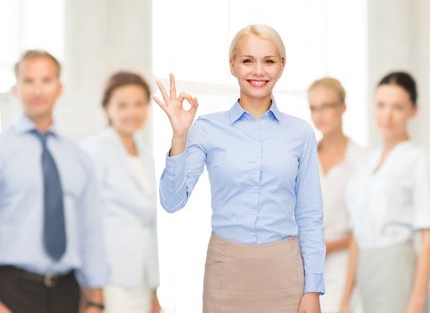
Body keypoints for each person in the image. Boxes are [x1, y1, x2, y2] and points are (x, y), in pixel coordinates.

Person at [153, 24, 325, 313]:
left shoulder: (301, 133)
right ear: (232, 65)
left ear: (281, 66)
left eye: (268, 61)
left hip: (285, 272)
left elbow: (310, 215)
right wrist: (179, 136)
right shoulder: (206, 129)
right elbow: (172, 201)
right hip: (227, 270)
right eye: (247, 61)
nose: (258, 71)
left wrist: (313, 289)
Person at [0, 50, 107, 313]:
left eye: (46, 80)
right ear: (15, 88)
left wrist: (96, 300)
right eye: (29, 81)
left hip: (67, 293)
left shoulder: (78, 157)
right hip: (11, 292)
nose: (38, 90)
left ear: (59, 88)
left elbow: (90, 231)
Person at [341, 72, 430, 313]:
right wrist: (346, 296)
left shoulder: (419, 160)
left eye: (397, 107)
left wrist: (417, 302)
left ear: (414, 110)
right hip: (366, 269)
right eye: (381, 105)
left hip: (398, 266)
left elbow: (428, 234)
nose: (387, 115)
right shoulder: (366, 162)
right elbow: (357, 234)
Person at [82, 72, 161, 313]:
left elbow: (149, 225)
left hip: (141, 278)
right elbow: (86, 222)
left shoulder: (146, 155)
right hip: (110, 278)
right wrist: (93, 292)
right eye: (122, 105)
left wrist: (154, 289)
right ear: (107, 108)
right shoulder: (95, 150)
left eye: (139, 104)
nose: (132, 112)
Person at [308, 78, 363, 313]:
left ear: (343, 107)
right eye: (314, 108)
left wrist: (346, 299)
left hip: (344, 272)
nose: (320, 115)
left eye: (327, 106)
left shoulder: (361, 161)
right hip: (306, 270)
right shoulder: (305, 158)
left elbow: (362, 233)